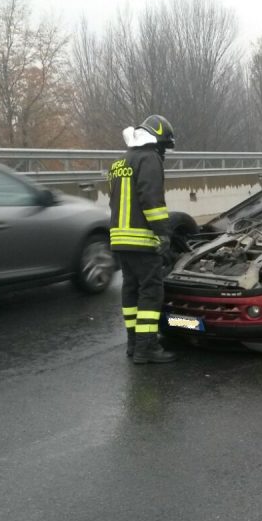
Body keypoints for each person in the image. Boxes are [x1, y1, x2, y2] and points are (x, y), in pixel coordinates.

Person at [109, 114, 177, 364]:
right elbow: (152, 201)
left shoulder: (120, 161)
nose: (164, 152)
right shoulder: (149, 159)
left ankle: (133, 344)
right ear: (157, 141)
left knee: (130, 289)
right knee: (151, 291)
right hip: (141, 238)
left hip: (119, 237)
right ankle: (147, 348)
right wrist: (163, 233)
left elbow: (113, 199)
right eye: (164, 146)